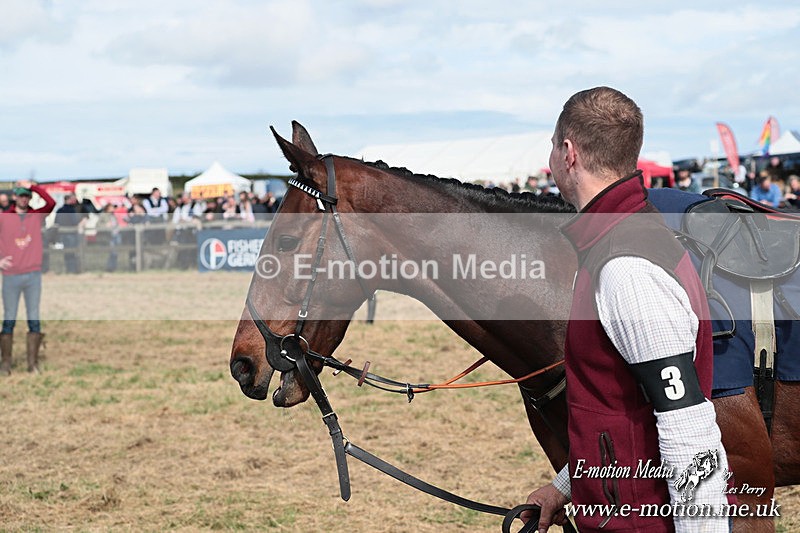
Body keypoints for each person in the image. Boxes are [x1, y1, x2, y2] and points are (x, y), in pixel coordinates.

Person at [524, 87, 729, 532]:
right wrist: (568, 485)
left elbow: (689, 430)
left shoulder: (627, 268)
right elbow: (622, 409)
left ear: (568, 151)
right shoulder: (616, 239)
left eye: (552, 147)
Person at [0, 182, 56, 374]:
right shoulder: (4, 217)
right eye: (21, 195)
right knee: (9, 318)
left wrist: (33, 186)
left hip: (32, 275)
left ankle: (32, 364)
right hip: (10, 276)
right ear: (14, 197)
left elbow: (51, 203)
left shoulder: (36, 216)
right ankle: (6, 363)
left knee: (34, 318)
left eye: (28, 196)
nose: (25, 199)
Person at [55, 193, 83, 273]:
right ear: (69, 200)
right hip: (71, 234)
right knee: (73, 252)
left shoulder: (59, 210)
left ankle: (69, 269)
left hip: (62, 234)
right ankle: (73, 270)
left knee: (67, 253)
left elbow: (56, 222)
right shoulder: (71, 210)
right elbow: (74, 221)